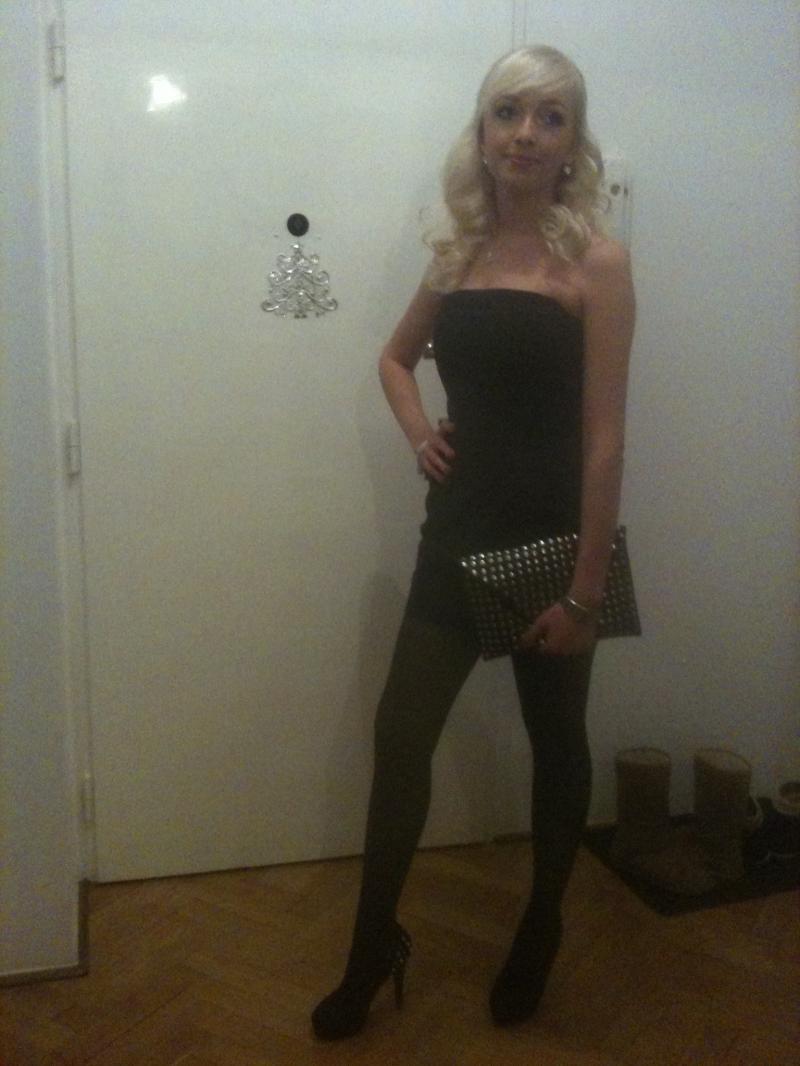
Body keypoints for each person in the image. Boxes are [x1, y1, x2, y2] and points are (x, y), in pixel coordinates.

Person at [312, 44, 635, 1039]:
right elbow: (393, 358)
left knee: (556, 740)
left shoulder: (597, 262)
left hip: (554, 542)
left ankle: (540, 923)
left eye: (549, 117)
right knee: (399, 735)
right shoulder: (456, 254)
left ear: (572, 141)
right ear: (482, 131)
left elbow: (603, 435)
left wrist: (585, 590)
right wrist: (421, 434)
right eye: (507, 113)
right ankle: (372, 946)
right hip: (456, 533)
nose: (525, 135)